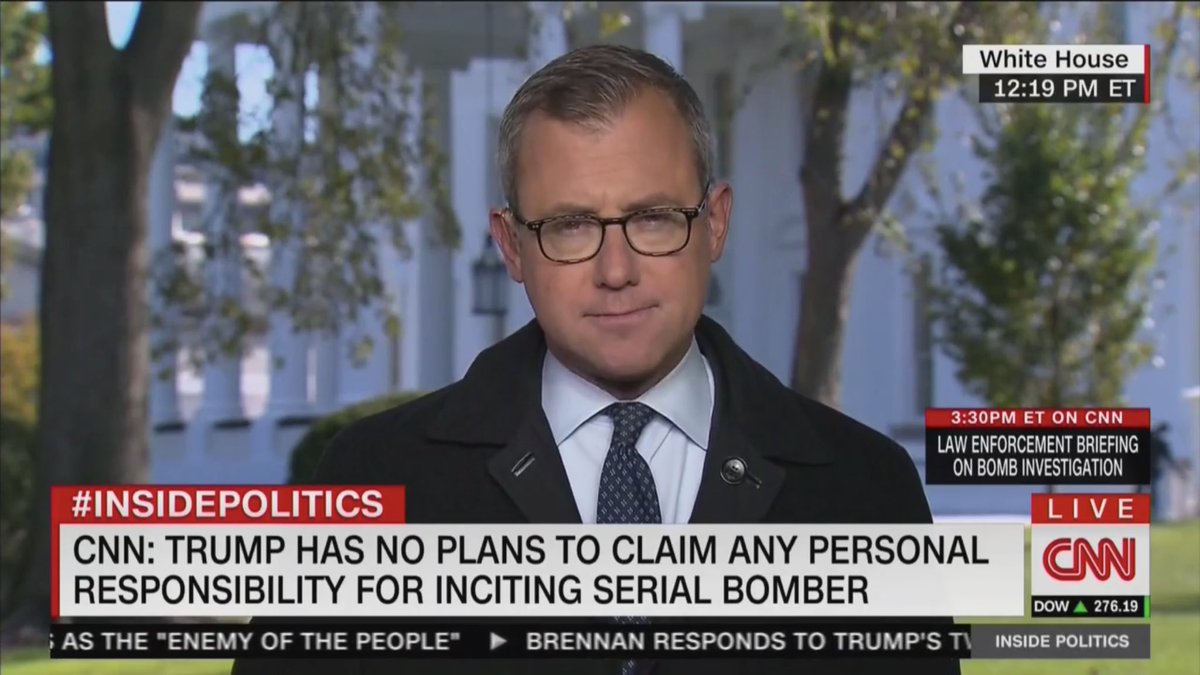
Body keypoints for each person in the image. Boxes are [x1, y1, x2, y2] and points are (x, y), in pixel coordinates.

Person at [232, 45, 957, 675]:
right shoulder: (374, 480)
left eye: (654, 218)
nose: (616, 270)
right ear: (512, 246)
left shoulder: (867, 491)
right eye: (571, 226)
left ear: (715, 225)